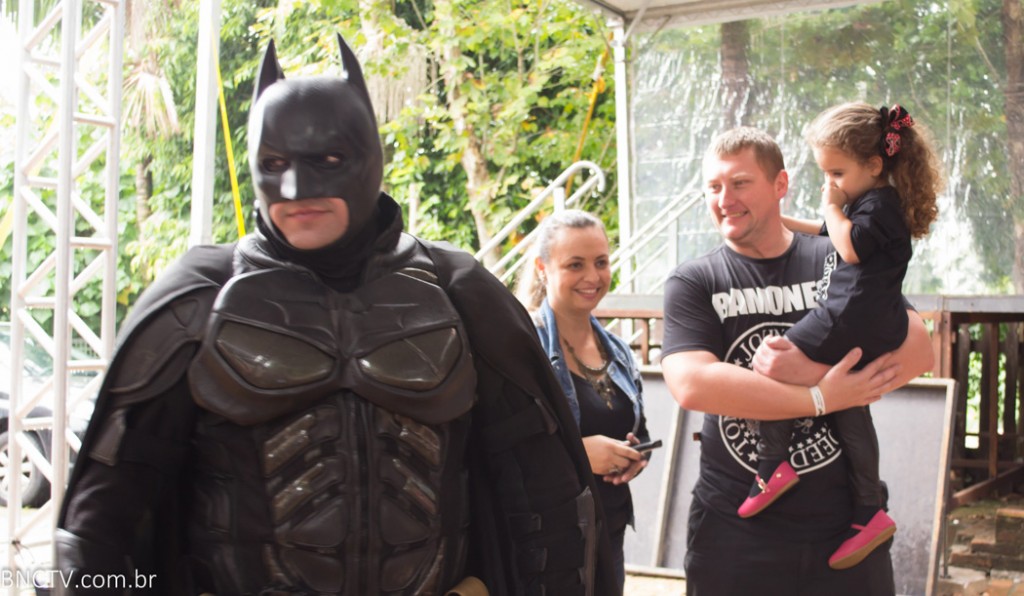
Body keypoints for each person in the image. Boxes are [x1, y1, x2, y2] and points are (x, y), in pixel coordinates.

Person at [54, 34, 619, 596]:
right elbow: (100, 523)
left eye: (327, 160)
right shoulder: (198, 299)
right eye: (275, 163)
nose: (297, 187)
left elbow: (544, 495)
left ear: (369, 158)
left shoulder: (460, 294)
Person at [660, 126, 935, 595]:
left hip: (845, 531)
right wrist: (823, 396)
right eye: (714, 187)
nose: (725, 199)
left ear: (780, 185)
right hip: (734, 532)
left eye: (740, 183)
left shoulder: (838, 255)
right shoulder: (694, 280)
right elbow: (693, 384)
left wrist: (822, 378)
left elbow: (916, 348)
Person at [739, 102, 942, 571]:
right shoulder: (869, 202)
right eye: (824, 173)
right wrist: (777, 222)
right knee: (850, 407)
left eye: (837, 172)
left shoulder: (883, 205)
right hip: (868, 318)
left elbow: (847, 247)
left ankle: (773, 465)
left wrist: (832, 206)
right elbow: (826, 232)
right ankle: (868, 510)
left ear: (874, 165)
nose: (829, 182)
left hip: (849, 316)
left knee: (771, 360)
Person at [516, 209, 650, 591]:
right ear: (543, 268)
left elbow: (638, 430)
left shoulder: (619, 351)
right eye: (575, 265)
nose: (593, 277)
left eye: (601, 262)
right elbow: (501, 451)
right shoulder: (523, 349)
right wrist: (578, 455)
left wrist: (635, 457)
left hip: (610, 534)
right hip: (549, 545)